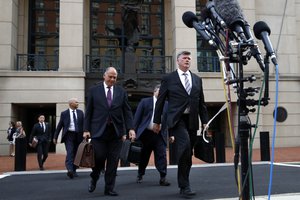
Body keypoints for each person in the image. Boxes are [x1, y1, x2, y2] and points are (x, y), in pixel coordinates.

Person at [153, 51, 209, 199]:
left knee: (188, 153)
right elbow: (160, 101)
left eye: (189, 58)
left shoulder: (197, 79)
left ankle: (184, 183)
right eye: (184, 58)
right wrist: (157, 121)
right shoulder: (168, 78)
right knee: (184, 147)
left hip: (191, 120)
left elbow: (201, 103)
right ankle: (184, 185)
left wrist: (205, 121)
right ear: (178, 61)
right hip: (176, 120)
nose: (187, 60)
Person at [83, 67, 136, 196]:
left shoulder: (121, 92)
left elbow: (127, 111)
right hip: (98, 132)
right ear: (104, 76)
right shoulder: (94, 91)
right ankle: (94, 176)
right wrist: (86, 129)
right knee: (99, 157)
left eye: (115, 77)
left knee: (113, 161)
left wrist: (131, 128)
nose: (112, 79)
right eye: (110, 77)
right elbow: (88, 112)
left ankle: (109, 188)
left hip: (116, 132)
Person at [134, 84, 170, 186]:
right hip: (146, 134)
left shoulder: (167, 104)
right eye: (160, 90)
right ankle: (140, 174)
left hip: (159, 135)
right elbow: (137, 117)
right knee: (144, 156)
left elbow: (168, 121)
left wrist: (171, 134)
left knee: (162, 155)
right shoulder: (145, 102)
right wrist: (133, 130)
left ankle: (163, 177)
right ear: (154, 91)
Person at [53, 98, 84, 179]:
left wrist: (87, 133)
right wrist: (55, 137)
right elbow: (59, 126)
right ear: (71, 103)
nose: (78, 103)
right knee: (70, 152)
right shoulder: (64, 113)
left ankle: (74, 169)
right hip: (68, 136)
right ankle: (69, 169)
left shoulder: (81, 113)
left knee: (77, 153)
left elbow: (85, 124)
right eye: (76, 102)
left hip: (79, 135)